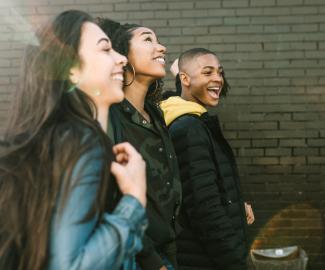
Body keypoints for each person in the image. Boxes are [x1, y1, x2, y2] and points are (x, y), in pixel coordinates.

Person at [0, 10, 147, 270]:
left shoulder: (54, 142)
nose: (122, 58)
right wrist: (133, 202)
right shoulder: (83, 142)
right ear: (70, 70)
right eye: (105, 49)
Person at [97, 18, 182, 270]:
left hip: (169, 245)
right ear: (123, 55)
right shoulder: (111, 115)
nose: (161, 47)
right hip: (137, 253)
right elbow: (109, 200)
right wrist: (153, 262)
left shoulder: (156, 114)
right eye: (148, 39)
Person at [160, 48, 255, 270]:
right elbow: (204, 208)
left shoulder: (194, 122)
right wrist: (237, 260)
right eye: (207, 72)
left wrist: (234, 203)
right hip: (206, 260)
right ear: (184, 79)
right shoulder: (189, 128)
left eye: (220, 73)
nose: (218, 79)